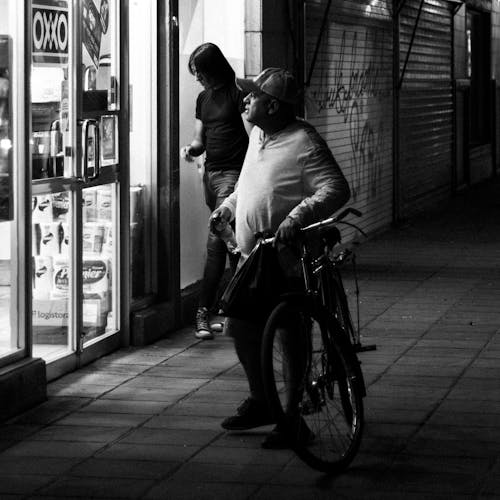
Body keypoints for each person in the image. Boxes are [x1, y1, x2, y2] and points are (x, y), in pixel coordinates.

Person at [210, 68, 351, 448]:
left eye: (252, 96)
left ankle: (291, 418)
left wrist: (297, 217)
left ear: (272, 105)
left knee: (290, 334)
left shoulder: (305, 142)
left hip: (287, 259)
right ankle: (262, 401)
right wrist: (227, 208)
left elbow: (336, 189)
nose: (245, 100)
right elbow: (247, 185)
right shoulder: (259, 134)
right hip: (252, 257)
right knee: (239, 325)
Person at [181, 43, 251, 340]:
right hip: (211, 176)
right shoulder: (203, 98)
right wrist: (191, 150)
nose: (198, 78)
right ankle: (233, 311)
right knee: (231, 246)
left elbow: (252, 136)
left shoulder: (237, 94)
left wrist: (249, 177)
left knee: (216, 242)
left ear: (213, 69)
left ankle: (202, 313)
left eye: (200, 72)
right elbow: (201, 140)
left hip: (232, 177)